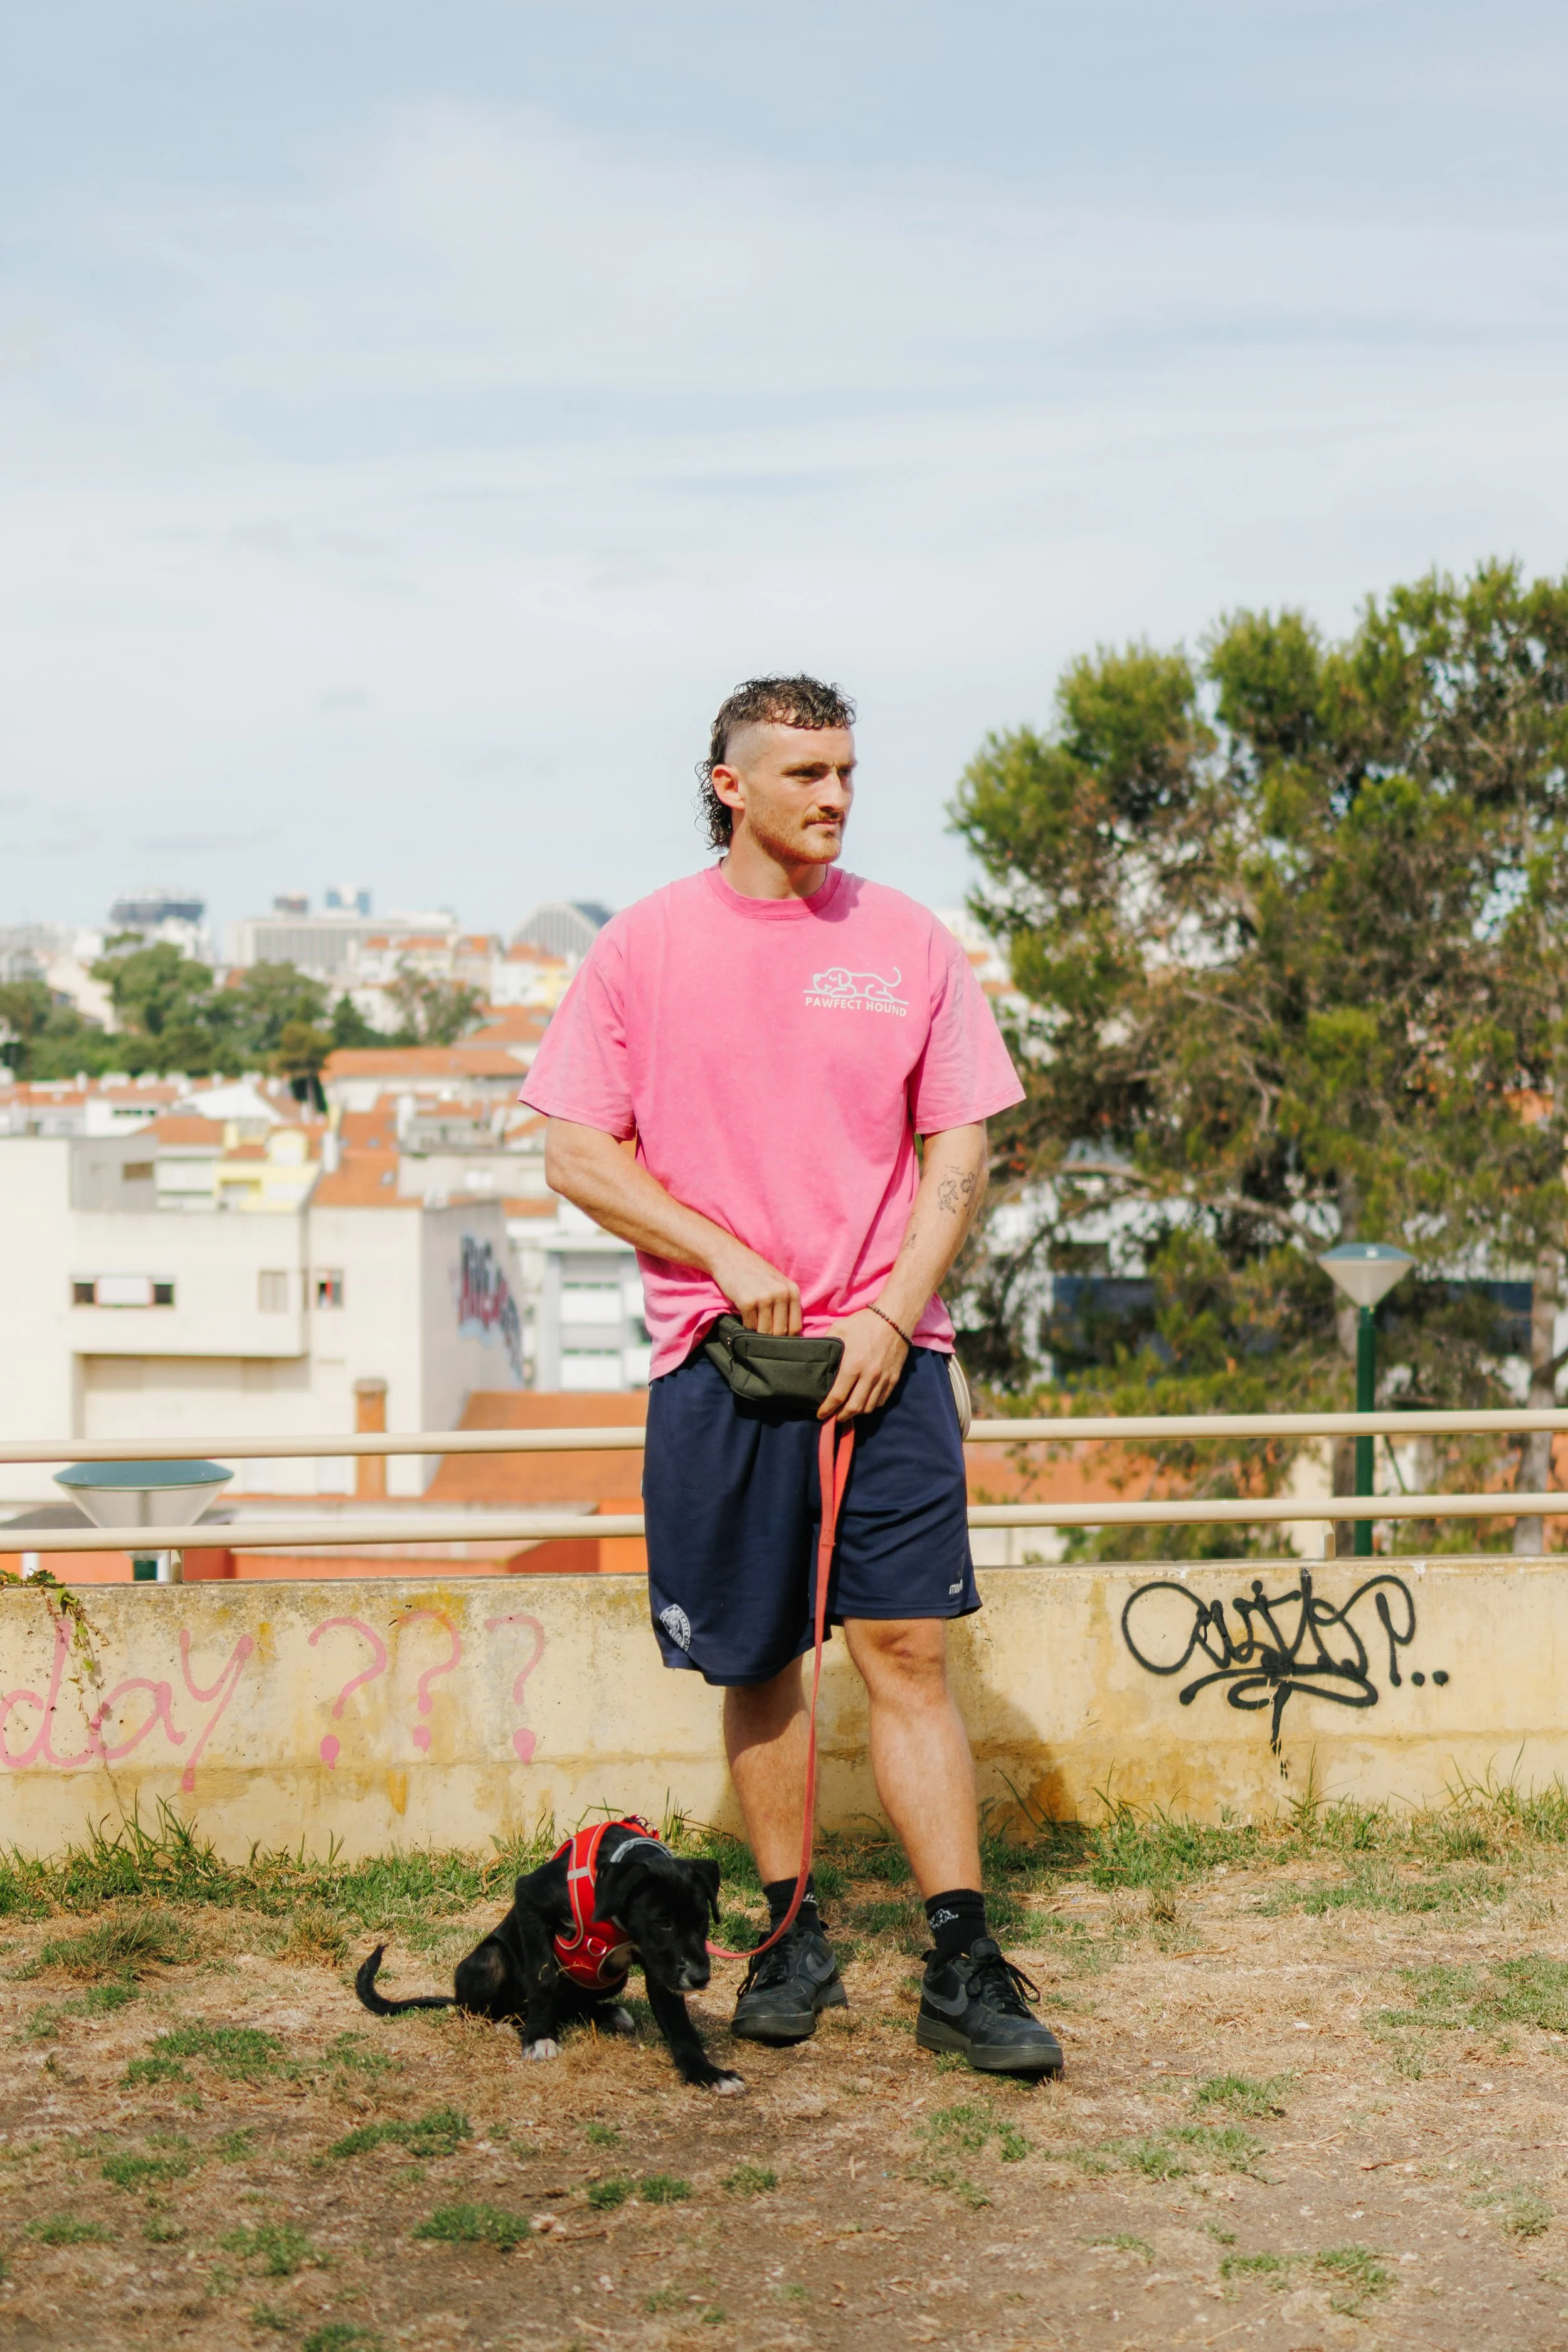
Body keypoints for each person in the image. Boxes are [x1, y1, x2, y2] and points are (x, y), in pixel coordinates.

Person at [520, 675, 1061, 2078]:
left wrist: (892, 1314)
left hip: (886, 1359)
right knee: (756, 1661)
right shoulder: (641, 948)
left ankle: (959, 1958)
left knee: (904, 1652)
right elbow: (576, 1152)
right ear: (729, 784)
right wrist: (719, 1249)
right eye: (804, 772)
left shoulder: (903, 941)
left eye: (845, 771)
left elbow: (959, 1150)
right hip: (721, 1363)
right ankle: (786, 1934)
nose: (831, 796)